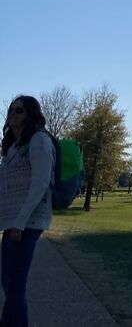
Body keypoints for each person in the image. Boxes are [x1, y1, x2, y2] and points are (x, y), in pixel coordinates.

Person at [0, 96, 55, 327]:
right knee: (9, 282)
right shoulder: (15, 146)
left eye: (19, 110)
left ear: (31, 114)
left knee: (15, 282)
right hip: (13, 223)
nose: (13, 113)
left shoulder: (39, 140)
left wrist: (20, 223)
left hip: (26, 223)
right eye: (11, 110)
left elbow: (41, 183)